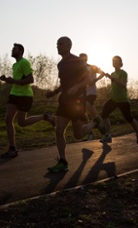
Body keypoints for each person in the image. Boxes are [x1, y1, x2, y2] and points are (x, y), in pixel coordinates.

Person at [45, 36, 106, 172]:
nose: (57, 46)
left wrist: (77, 87)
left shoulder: (77, 61)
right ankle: (63, 161)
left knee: (78, 135)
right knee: (58, 130)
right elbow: (64, 84)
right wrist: (54, 92)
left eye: (60, 44)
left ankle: (95, 123)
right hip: (64, 101)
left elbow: (88, 79)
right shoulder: (60, 64)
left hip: (76, 102)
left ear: (68, 46)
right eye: (56, 44)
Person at [0, 43, 55, 158]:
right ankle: (12, 148)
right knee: (7, 119)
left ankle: (44, 117)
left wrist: (13, 81)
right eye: (12, 48)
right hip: (14, 94)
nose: (12, 50)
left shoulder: (24, 63)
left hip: (25, 96)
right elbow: (18, 80)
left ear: (20, 51)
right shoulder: (15, 65)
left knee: (22, 122)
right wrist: (8, 80)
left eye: (14, 49)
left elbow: (31, 79)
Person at [99, 55, 138, 144]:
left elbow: (123, 84)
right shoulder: (112, 74)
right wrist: (110, 92)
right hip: (113, 99)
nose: (114, 63)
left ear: (120, 63)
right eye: (113, 61)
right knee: (104, 115)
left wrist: (112, 78)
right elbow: (114, 86)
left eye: (116, 61)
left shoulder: (123, 73)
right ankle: (108, 135)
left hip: (122, 100)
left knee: (128, 118)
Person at [79, 53, 105, 141]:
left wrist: (95, 80)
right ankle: (106, 134)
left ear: (86, 59)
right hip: (83, 94)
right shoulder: (79, 70)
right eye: (80, 59)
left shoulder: (92, 67)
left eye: (84, 59)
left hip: (92, 93)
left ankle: (89, 133)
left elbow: (103, 73)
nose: (82, 60)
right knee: (94, 115)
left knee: (82, 111)